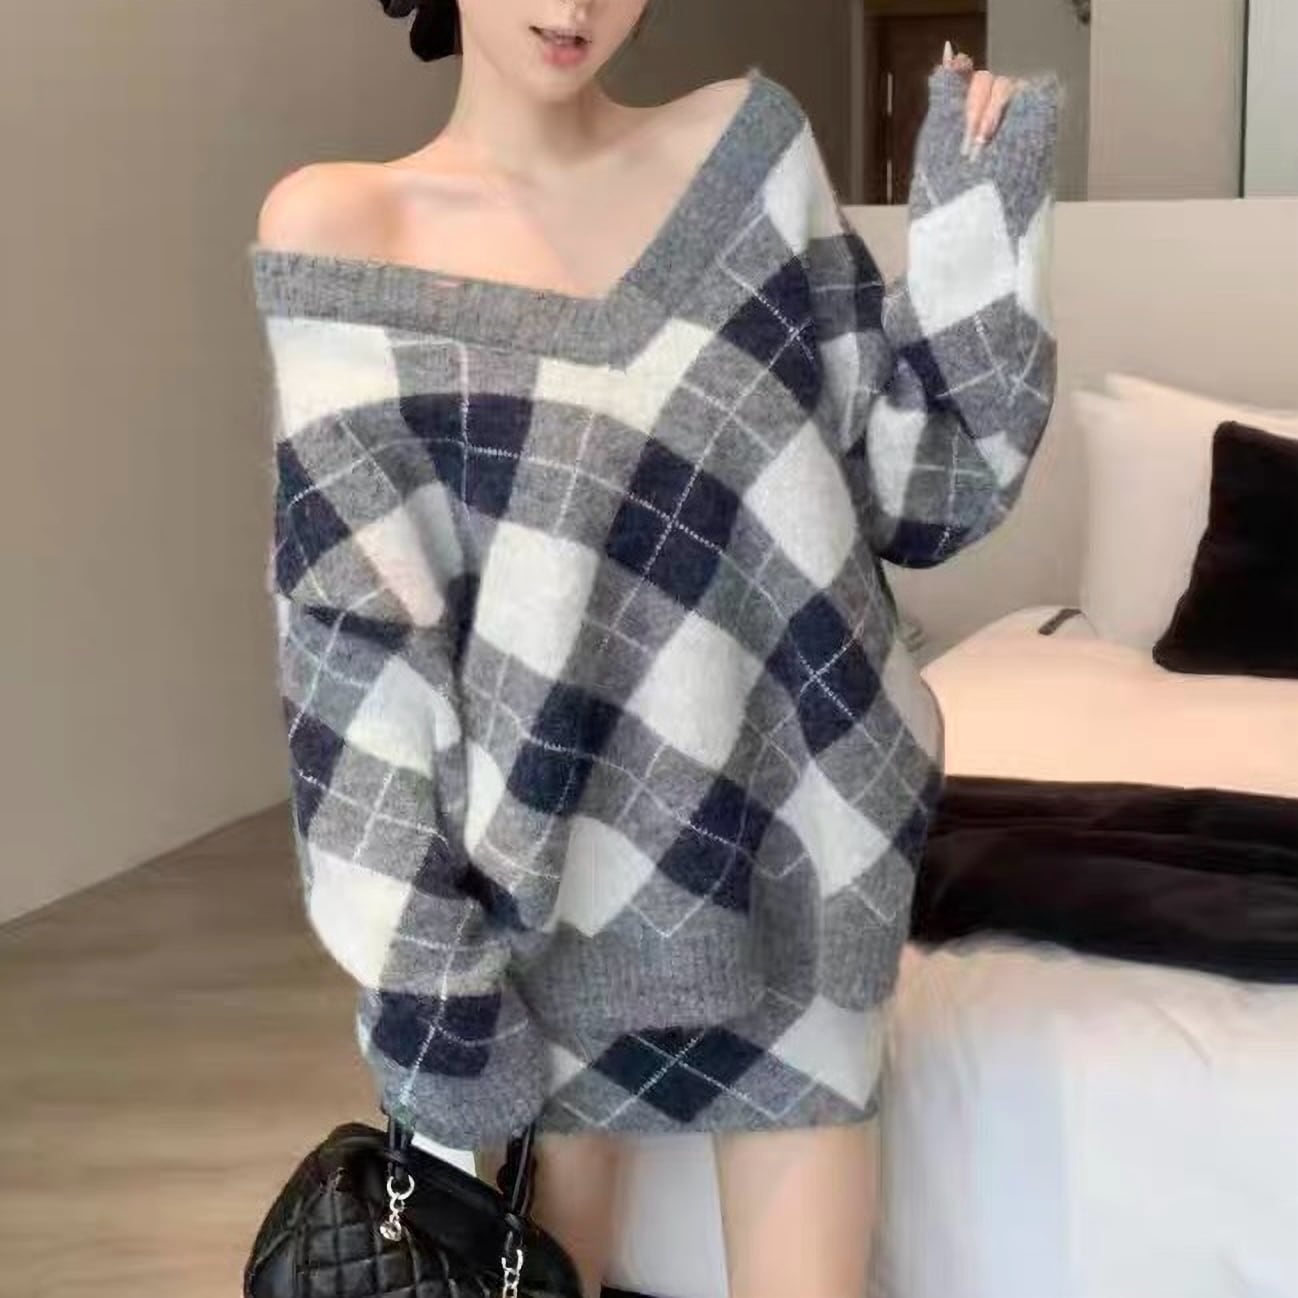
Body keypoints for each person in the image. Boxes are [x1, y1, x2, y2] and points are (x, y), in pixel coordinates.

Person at [248, 3, 1059, 1295]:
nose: (574, 5)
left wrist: (977, 206)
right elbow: (354, 648)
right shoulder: (343, 228)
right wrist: (428, 980)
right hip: (540, 903)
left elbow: (923, 492)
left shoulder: (750, 153)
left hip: (805, 851)